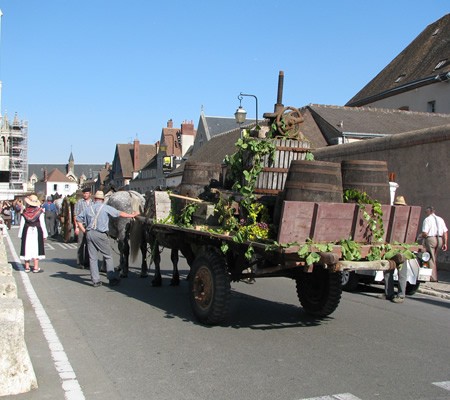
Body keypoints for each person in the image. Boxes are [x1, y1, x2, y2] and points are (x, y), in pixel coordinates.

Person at [76, 190, 139, 287]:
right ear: (102, 199)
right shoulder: (105, 208)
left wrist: (84, 230)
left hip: (89, 233)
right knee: (108, 256)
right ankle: (111, 278)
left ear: (95, 199)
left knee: (92, 258)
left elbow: (78, 219)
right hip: (100, 234)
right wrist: (132, 215)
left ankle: (95, 280)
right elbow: (120, 213)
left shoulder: (89, 209)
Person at [379, 195, 408, 303]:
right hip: (396, 247)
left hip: (398, 247)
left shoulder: (397, 216)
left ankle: (399, 295)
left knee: (399, 272)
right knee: (389, 271)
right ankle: (390, 294)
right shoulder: (404, 216)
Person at [18, 194, 48, 273]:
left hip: (27, 230)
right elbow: (42, 223)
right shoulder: (39, 212)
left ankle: (27, 267)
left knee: (27, 247)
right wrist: (45, 234)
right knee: (36, 247)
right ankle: (35, 267)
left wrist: (20, 234)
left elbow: (22, 224)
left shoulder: (25, 212)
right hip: (36, 231)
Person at [421, 206, 448, 282]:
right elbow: (445, 232)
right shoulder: (440, 219)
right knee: (434, 257)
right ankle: (434, 276)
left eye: (426, 212)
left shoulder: (427, 220)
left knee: (430, 258)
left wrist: (420, 236)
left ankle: (433, 278)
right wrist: (445, 243)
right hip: (440, 239)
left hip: (431, 239)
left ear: (429, 212)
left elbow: (425, 233)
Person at [74, 187, 92, 268]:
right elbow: (76, 215)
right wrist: (76, 227)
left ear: (90, 194)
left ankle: (87, 261)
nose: (85, 195)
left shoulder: (93, 203)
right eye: (84, 193)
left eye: (87, 193)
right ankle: (80, 262)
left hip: (90, 225)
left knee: (89, 244)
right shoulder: (79, 202)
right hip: (81, 224)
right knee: (81, 243)